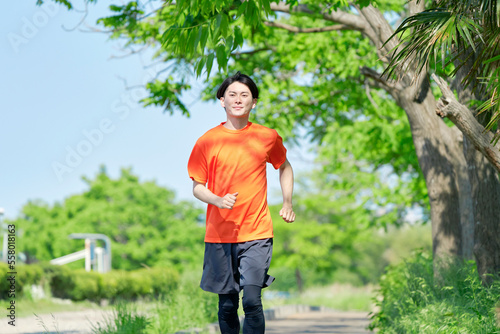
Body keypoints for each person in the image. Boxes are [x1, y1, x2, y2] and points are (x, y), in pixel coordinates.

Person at [187, 71, 295, 333]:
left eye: (244, 95)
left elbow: (284, 166)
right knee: (226, 305)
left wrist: (288, 202)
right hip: (219, 235)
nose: (238, 99)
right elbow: (197, 188)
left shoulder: (267, 136)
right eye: (232, 94)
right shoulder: (207, 141)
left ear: (254, 102)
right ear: (221, 100)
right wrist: (218, 199)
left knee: (251, 301)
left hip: (256, 232)